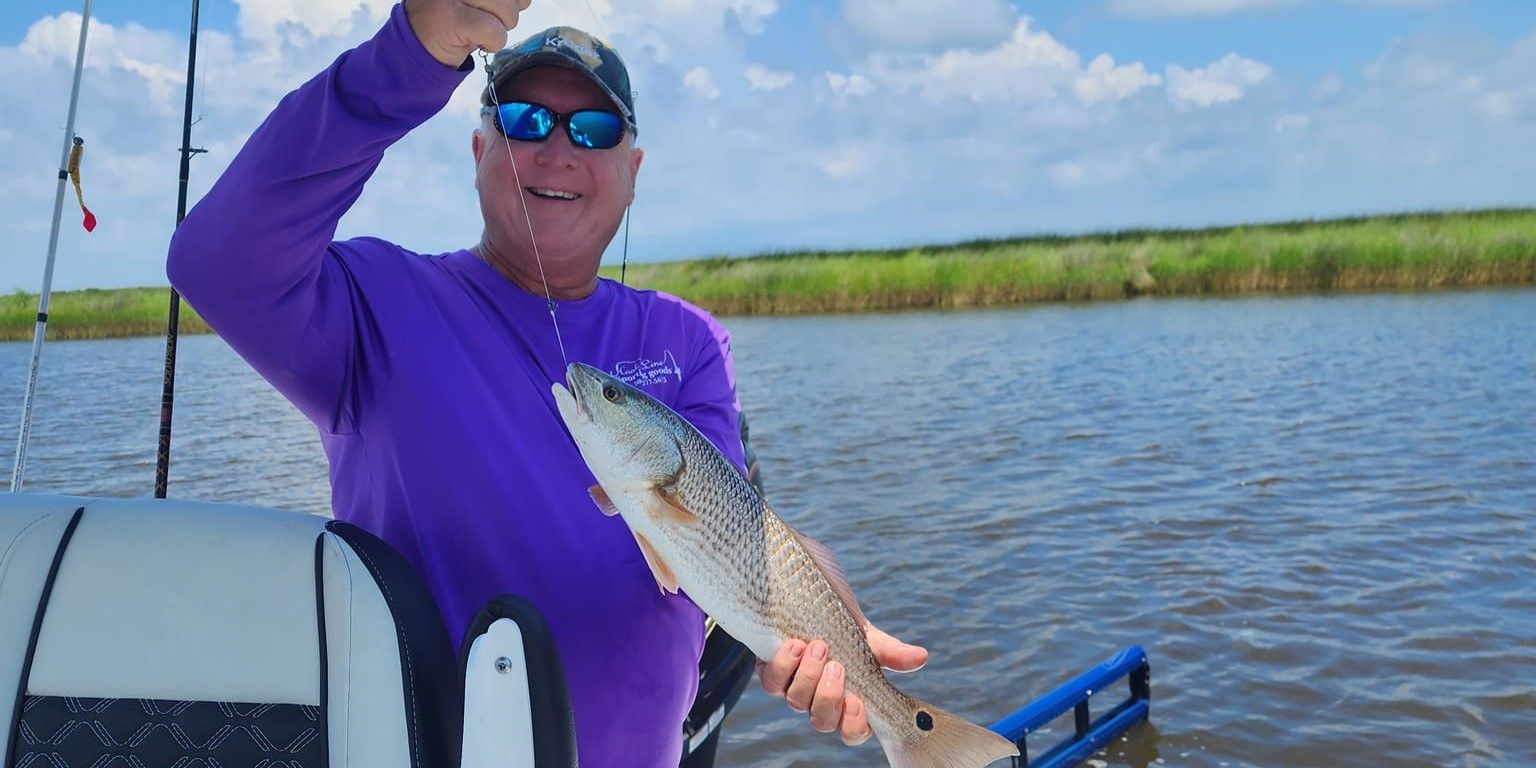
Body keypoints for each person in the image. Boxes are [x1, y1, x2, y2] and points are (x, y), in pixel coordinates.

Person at [166, 0, 926, 764]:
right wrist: (410, 53)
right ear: (478, 150)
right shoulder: (378, 305)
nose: (558, 149)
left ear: (632, 173)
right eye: (526, 120)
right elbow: (216, 263)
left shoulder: (688, 339)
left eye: (593, 129)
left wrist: (817, 643)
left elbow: (734, 530)